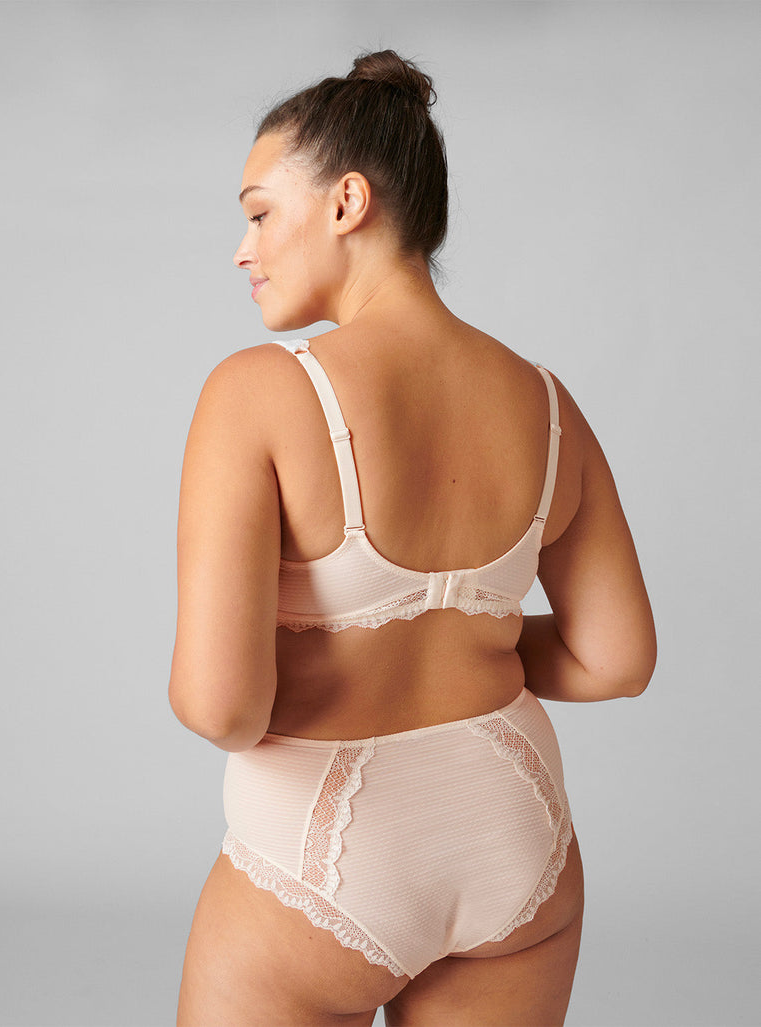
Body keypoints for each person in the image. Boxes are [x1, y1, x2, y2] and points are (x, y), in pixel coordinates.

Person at [169, 49, 656, 1027]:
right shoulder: (547, 404)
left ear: (347, 202)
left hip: (324, 848)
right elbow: (617, 659)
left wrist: (344, 639)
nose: (242, 250)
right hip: (511, 828)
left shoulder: (256, 393)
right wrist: (464, 640)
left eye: (259, 213)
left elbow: (224, 705)